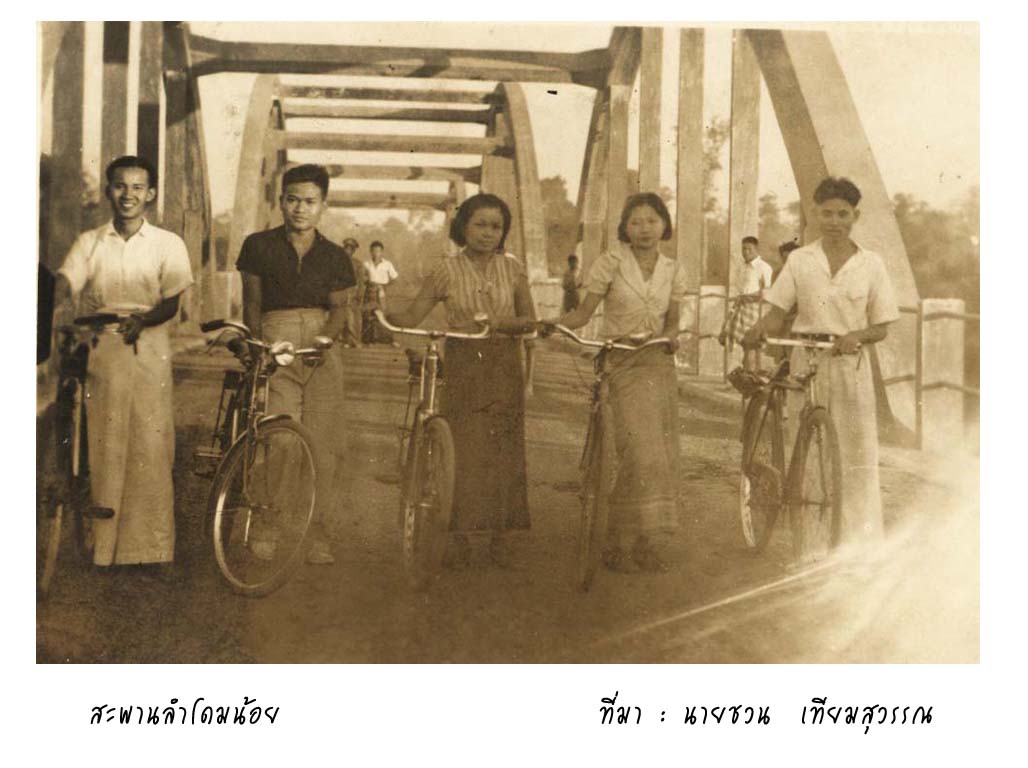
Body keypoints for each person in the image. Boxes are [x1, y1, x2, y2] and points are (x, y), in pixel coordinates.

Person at [743, 177, 900, 548]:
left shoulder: (871, 264)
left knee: (855, 450)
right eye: (826, 213)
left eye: (842, 214)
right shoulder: (800, 259)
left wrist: (855, 336)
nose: (834, 221)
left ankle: (858, 543)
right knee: (809, 448)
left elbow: (882, 325)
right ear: (814, 214)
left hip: (849, 365)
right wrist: (757, 330)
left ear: (855, 216)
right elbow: (778, 313)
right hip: (806, 360)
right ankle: (811, 542)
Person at [53, 155, 193, 570]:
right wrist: (53, 294)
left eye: (137, 187)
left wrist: (144, 319)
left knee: (152, 443)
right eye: (119, 186)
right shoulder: (90, 241)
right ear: (108, 191)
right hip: (104, 347)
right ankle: (103, 548)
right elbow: (67, 281)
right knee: (106, 442)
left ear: (150, 194)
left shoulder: (168, 244)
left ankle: (151, 551)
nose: (127, 195)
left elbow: (171, 301)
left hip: (148, 344)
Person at [387, 193, 536, 568]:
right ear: (463, 227)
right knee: (463, 449)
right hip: (465, 361)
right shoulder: (446, 270)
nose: (489, 233)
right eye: (480, 225)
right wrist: (382, 315)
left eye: (496, 226)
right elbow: (413, 314)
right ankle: (460, 537)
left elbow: (529, 321)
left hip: (503, 362)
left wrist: (500, 323)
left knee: (504, 449)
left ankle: (503, 537)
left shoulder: (514, 269)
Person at [549, 192, 687, 573]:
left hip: (658, 363)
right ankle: (615, 538)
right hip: (621, 363)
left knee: (660, 455)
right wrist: (552, 326)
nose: (645, 228)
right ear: (625, 228)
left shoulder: (673, 270)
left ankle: (644, 541)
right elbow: (583, 313)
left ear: (664, 225)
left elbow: (673, 320)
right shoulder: (611, 264)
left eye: (652, 220)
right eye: (636, 222)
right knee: (640, 452)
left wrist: (673, 334)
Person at [235, 163, 356, 565]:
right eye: (292, 200)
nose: (300, 209)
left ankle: (316, 531)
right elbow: (252, 302)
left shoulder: (336, 255)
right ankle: (267, 522)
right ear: (280, 201)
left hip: (321, 346)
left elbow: (340, 311)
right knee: (281, 436)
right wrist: (258, 345)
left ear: (323, 205)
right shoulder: (258, 245)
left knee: (324, 444)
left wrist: (327, 337)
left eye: (309, 201)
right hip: (277, 339)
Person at [720, 235, 774, 370]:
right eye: (743, 249)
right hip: (741, 308)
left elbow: (767, 293)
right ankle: (748, 379)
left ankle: (751, 378)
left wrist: (748, 297)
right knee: (745, 346)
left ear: (757, 249)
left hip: (756, 309)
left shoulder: (764, 267)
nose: (746, 252)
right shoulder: (742, 268)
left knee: (752, 345)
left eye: (749, 249)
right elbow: (739, 292)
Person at [363, 240, 399, 345]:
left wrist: (384, 286)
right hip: (370, 292)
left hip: (382, 291)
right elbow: (362, 278)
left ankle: (388, 339)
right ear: (370, 251)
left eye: (378, 251)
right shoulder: (366, 264)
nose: (376, 253)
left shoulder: (387, 264)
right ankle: (369, 339)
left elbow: (395, 278)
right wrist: (368, 283)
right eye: (374, 251)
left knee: (383, 314)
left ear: (381, 252)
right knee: (368, 314)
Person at [339, 238, 366, 347]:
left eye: (351, 248)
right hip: (340, 293)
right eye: (346, 248)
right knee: (342, 317)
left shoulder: (358, 264)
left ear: (354, 250)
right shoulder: (337, 262)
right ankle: (345, 340)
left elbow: (361, 282)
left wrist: (360, 294)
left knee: (353, 318)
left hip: (353, 294)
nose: (348, 250)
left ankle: (355, 341)